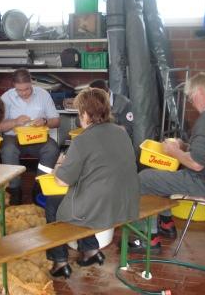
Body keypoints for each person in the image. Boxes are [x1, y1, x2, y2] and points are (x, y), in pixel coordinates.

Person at [128, 72, 205, 253]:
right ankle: (166, 224)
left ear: (199, 92)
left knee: (144, 178)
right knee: (160, 176)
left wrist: (174, 151)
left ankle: (148, 239)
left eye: (191, 98)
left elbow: (197, 164)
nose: (191, 103)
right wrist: (184, 145)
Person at [46, 88, 139, 278]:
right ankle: (91, 251)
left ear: (86, 115)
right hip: (127, 202)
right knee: (83, 196)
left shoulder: (82, 140)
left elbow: (62, 181)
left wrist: (58, 165)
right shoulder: (121, 132)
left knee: (53, 202)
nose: (80, 117)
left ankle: (60, 261)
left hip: (100, 206)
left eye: (80, 113)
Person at [0, 69, 61, 205]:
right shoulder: (6, 98)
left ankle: (40, 187)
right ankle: (14, 191)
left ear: (31, 83)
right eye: (19, 90)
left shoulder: (43, 95)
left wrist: (45, 121)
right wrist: (14, 122)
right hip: (13, 138)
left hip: (38, 137)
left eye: (27, 89)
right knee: (7, 151)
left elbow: (57, 121)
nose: (23, 93)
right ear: (13, 86)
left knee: (52, 149)